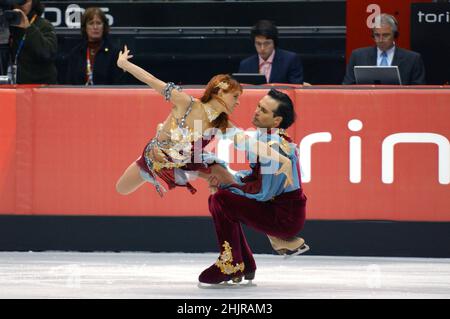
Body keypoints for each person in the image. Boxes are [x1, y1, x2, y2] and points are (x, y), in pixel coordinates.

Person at [115, 46, 293, 200]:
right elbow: (152, 80)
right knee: (121, 189)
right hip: (156, 159)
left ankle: (252, 215)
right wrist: (124, 64)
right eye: (235, 97)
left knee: (226, 178)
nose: (238, 102)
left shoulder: (222, 123)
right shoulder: (186, 103)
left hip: (189, 162)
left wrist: (282, 159)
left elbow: (252, 145)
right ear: (220, 92)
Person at [198, 89, 308, 287]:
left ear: (276, 121)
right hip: (275, 208)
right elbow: (254, 177)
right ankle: (245, 263)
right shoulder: (264, 138)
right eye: (258, 106)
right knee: (221, 199)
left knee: (221, 199)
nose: (256, 111)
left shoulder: (275, 146)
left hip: (284, 217)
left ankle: (231, 263)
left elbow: (263, 193)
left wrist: (230, 184)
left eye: (264, 110)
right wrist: (230, 178)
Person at [343, 13, 426, 85]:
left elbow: (418, 90)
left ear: (395, 35)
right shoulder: (358, 56)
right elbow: (347, 86)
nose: (381, 39)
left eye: (386, 35)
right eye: (377, 35)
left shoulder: (412, 59)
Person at [66, 7, 123, 85]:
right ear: (85, 27)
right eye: (91, 23)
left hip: (106, 95)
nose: (95, 27)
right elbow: (70, 83)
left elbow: (118, 84)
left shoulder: (114, 53)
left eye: (98, 23)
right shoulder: (76, 53)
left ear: (104, 26)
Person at [238, 20, 304, 84]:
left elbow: (295, 89)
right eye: (258, 43)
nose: (262, 48)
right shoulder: (245, 65)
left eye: (267, 43)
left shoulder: (290, 60)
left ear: (274, 43)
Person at [8, 0, 57, 84]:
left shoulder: (44, 25)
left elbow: (47, 53)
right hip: (11, 85)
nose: (21, 5)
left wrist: (28, 27)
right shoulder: (6, 25)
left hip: (38, 87)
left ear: (33, 3)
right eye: (17, 1)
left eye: (24, 1)